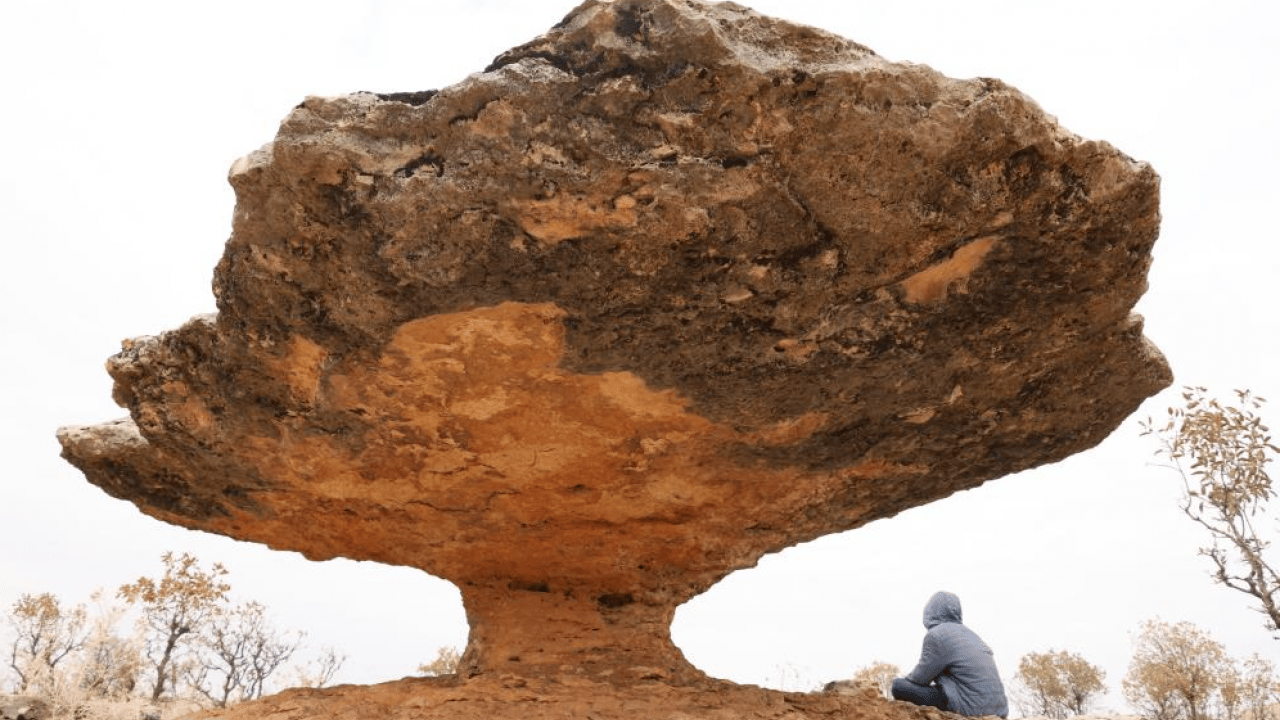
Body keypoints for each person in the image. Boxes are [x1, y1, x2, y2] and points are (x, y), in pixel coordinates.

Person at [891, 591, 1009, 718]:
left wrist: (906, 680)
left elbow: (919, 678)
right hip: (1000, 711)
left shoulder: (937, 635)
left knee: (899, 686)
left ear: (930, 611)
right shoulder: (972, 635)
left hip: (970, 708)